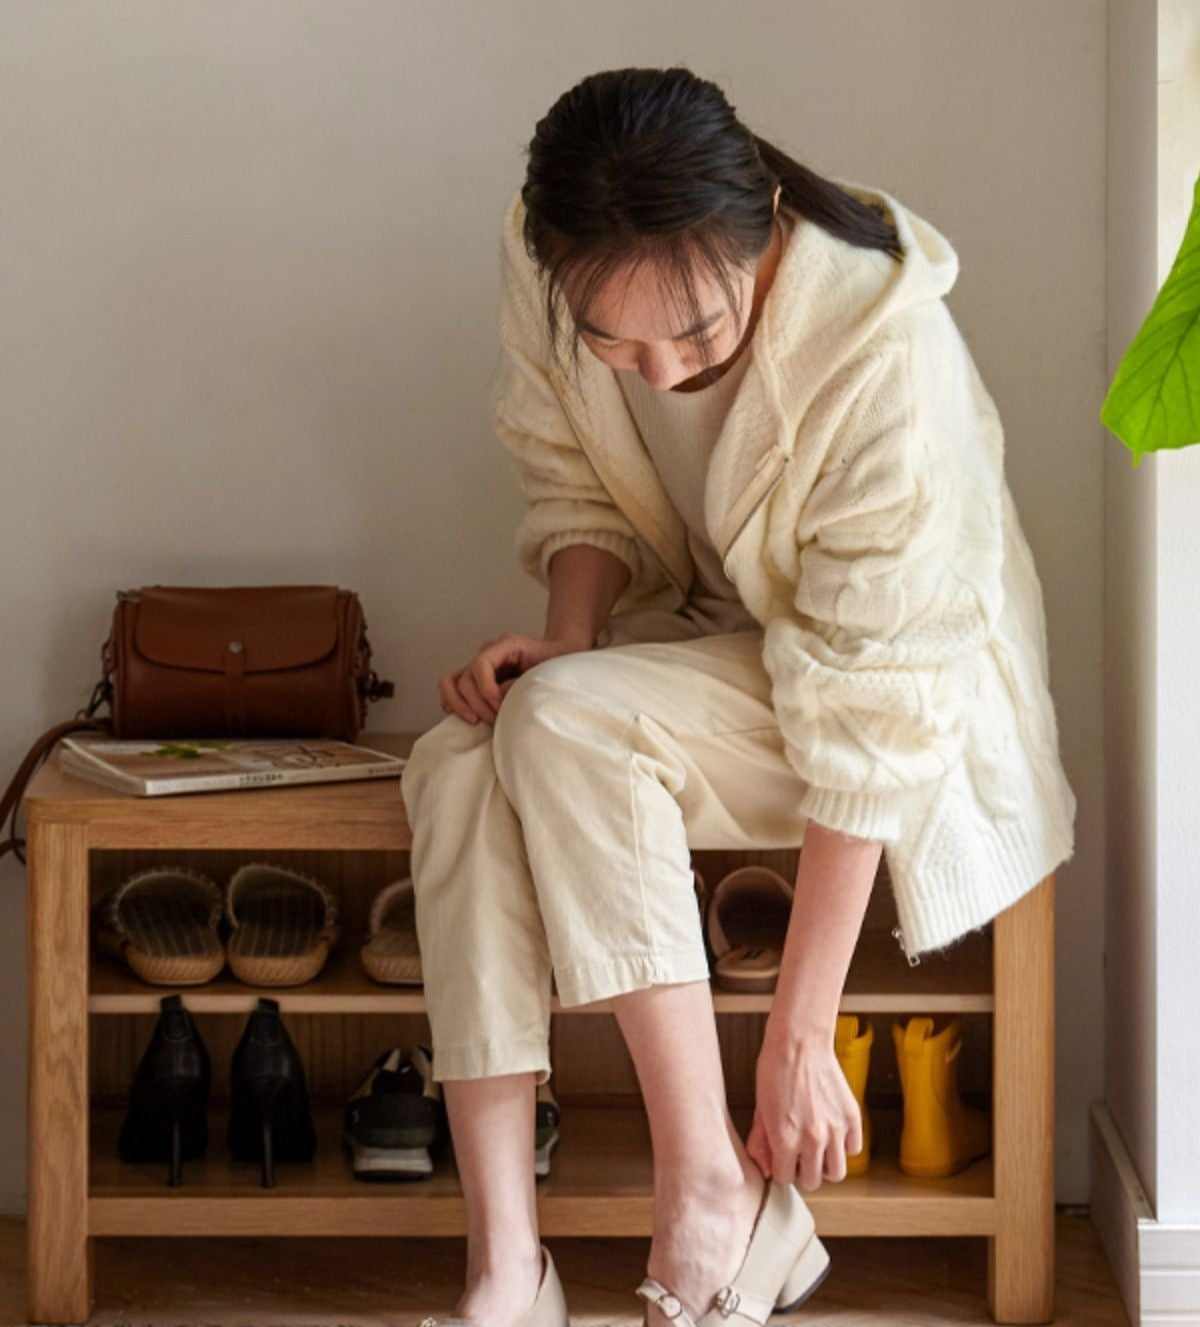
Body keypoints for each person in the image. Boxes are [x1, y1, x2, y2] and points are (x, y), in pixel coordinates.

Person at [399, 66, 1077, 1327]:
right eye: (614, 344)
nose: (658, 374)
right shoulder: (542, 254)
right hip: (727, 652)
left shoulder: (883, 350)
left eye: (699, 337)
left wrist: (798, 1034)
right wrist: (569, 637)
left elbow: (874, 712)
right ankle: (506, 1269)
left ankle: (710, 1188)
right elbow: (569, 474)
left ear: (761, 221)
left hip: (911, 703)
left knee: (560, 724)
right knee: (455, 758)